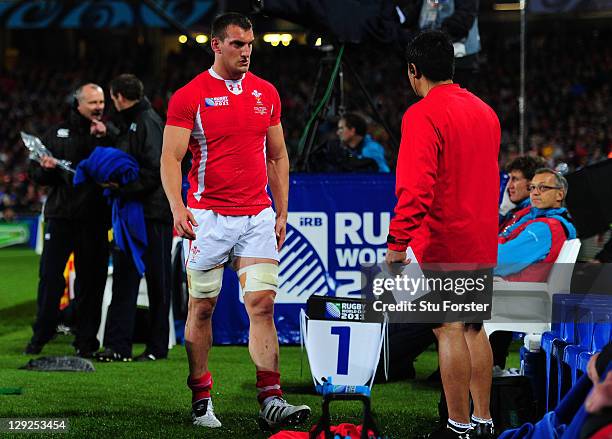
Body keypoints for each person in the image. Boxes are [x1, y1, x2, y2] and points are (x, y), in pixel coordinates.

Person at [160, 12, 310, 430]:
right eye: (238, 44)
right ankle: (201, 396)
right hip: (207, 218)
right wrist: (178, 207)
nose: (246, 52)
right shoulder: (190, 96)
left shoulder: (266, 93)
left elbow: (278, 156)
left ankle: (271, 399)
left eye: (249, 44)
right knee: (203, 308)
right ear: (217, 45)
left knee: (261, 305)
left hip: (257, 217)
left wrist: (281, 211)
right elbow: (170, 158)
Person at [385, 31, 500, 439]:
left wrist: (397, 243)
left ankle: (458, 426)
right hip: (482, 238)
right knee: (473, 326)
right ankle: (484, 421)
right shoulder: (486, 112)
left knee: (447, 328)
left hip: (443, 237)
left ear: (414, 71)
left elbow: (416, 188)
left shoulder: (423, 114)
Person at [25, 83, 112, 357]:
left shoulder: (109, 133)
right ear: (78, 104)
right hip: (60, 217)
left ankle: (86, 342)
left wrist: (105, 137)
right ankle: (41, 336)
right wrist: (44, 169)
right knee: (51, 279)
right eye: (93, 103)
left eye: (101, 102)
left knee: (92, 281)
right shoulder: (56, 133)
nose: (99, 107)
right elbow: (35, 174)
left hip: (95, 219)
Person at [94, 74, 173, 362]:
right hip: (134, 212)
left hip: (151, 214)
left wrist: (122, 187)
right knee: (126, 279)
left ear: (117, 96)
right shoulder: (135, 121)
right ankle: (118, 346)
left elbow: (154, 169)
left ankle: (156, 348)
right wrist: (110, 134)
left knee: (157, 281)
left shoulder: (147, 121)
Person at [496, 168, 576, 281]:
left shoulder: (545, 228)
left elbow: (499, 261)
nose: (535, 192)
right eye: (532, 187)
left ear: (559, 195)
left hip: (509, 293)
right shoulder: (538, 219)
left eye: (543, 187)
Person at [499, 156, 545, 234]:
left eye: (515, 179)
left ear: (532, 183)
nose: (509, 185)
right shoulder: (513, 212)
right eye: (509, 179)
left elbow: (504, 241)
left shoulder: (535, 214)